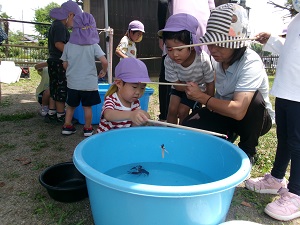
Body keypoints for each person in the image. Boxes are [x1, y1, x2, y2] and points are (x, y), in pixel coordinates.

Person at [182, 3, 273, 164]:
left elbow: (238, 111)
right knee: (190, 125)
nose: (213, 49)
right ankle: (226, 136)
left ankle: (248, 150)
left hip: (254, 120)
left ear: (236, 44)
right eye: (210, 43)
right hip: (225, 113)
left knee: (254, 100)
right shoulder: (218, 61)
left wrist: (202, 98)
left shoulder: (250, 62)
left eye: (220, 44)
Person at [245, 0, 300, 221]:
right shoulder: (297, 19)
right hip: (287, 90)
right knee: (284, 138)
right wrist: (273, 40)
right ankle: (276, 179)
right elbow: (291, 50)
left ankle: (296, 193)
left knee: (297, 143)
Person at [157, 0, 215, 122]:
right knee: (171, 110)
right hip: (180, 87)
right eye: (169, 49)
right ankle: (171, 134)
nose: (174, 54)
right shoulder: (169, 60)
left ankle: (184, 134)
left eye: (180, 49)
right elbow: (176, 84)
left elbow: (210, 82)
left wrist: (207, 101)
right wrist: (186, 88)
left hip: (198, 89)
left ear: (192, 44)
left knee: (182, 111)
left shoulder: (203, 59)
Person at [60, 12, 108, 137]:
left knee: (70, 106)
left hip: (73, 82)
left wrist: (71, 70)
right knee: (87, 107)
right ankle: (87, 128)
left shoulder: (68, 45)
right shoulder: (93, 45)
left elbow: (64, 64)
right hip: (88, 83)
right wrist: (104, 71)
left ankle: (67, 126)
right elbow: (104, 61)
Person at [45, 0, 82, 123]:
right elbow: (59, 44)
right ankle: (61, 115)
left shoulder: (55, 25)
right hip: (59, 62)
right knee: (61, 88)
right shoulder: (60, 26)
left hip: (53, 61)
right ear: (70, 15)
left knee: (54, 87)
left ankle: (52, 113)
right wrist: (71, 54)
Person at [97, 58, 151, 133]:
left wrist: (141, 119)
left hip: (123, 137)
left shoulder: (135, 102)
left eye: (142, 88)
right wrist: (131, 115)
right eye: (134, 87)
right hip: (106, 139)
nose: (138, 92)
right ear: (119, 83)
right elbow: (108, 114)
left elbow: (133, 126)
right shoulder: (112, 99)